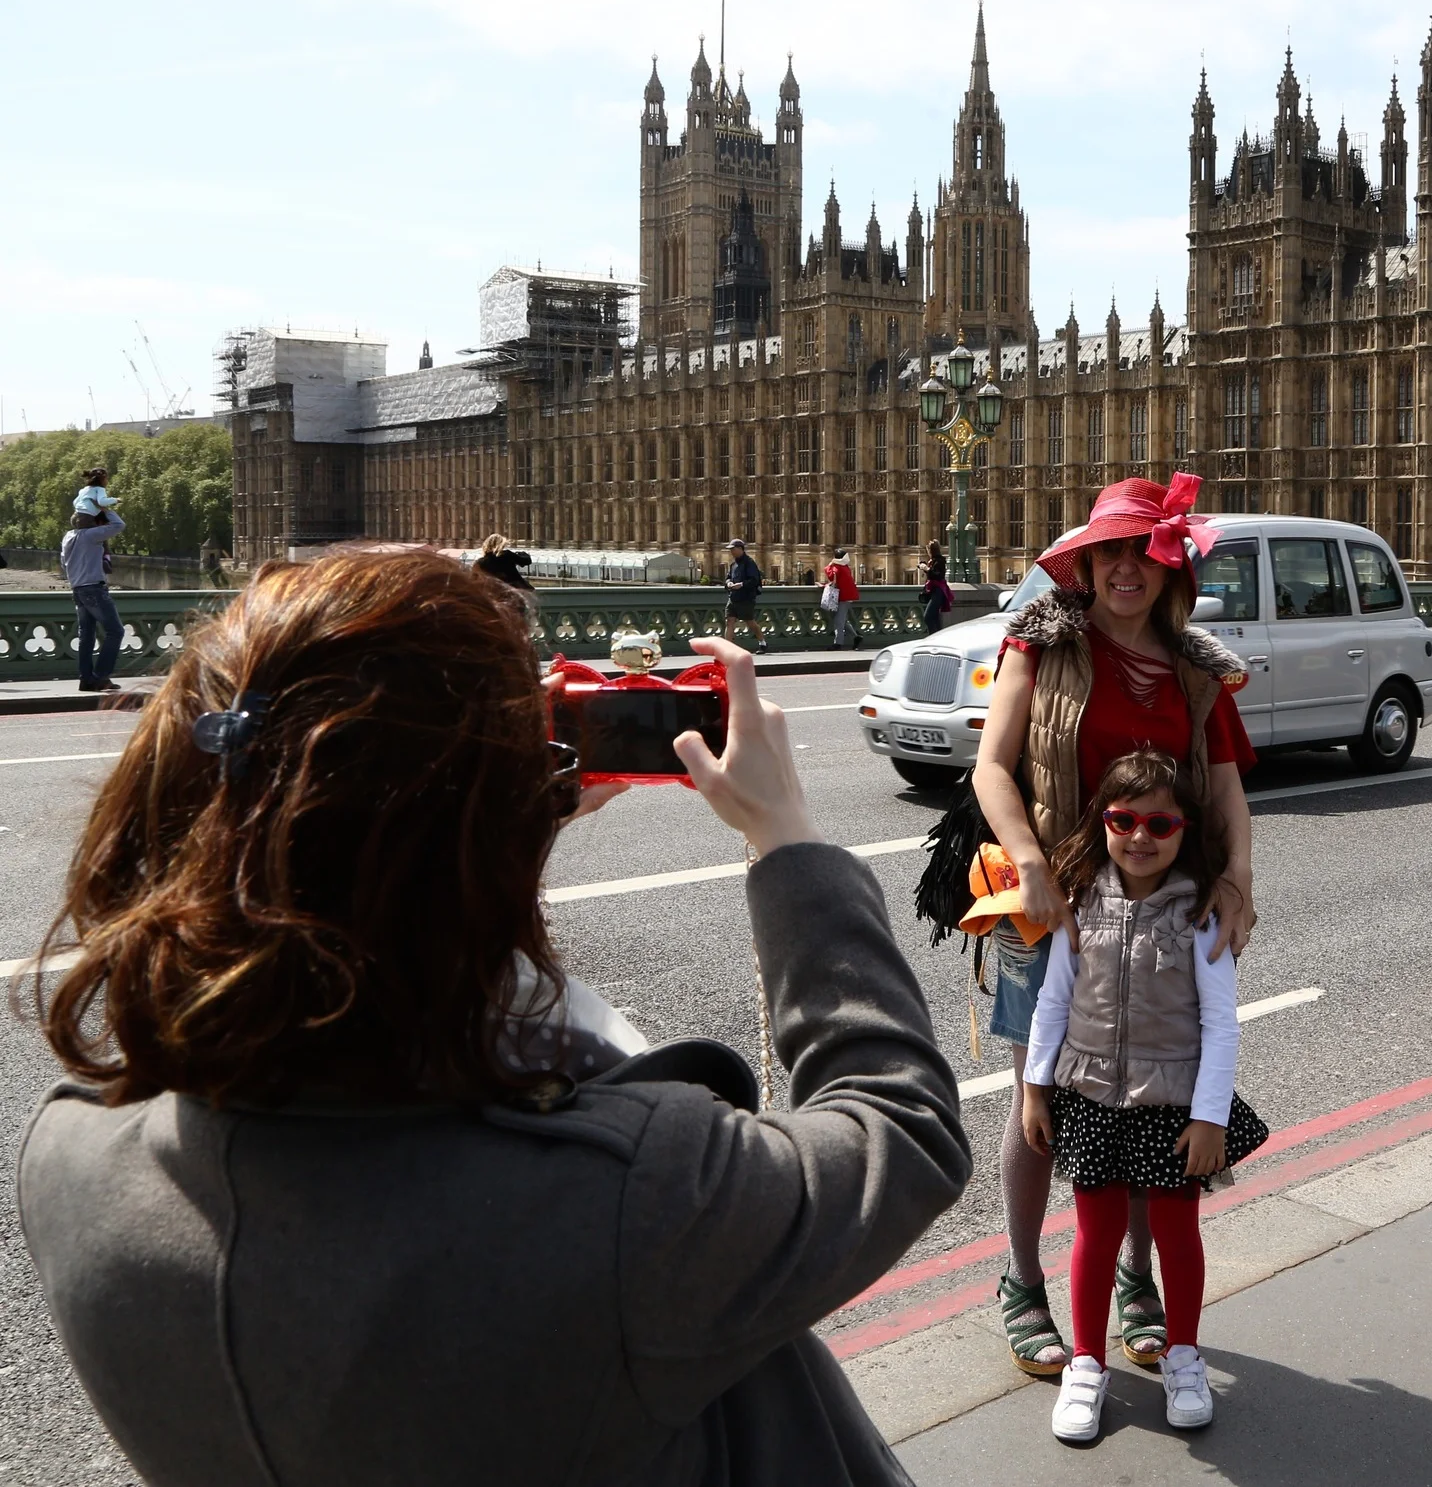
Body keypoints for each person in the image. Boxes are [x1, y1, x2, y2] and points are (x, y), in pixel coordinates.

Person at [17, 547, 973, 1485]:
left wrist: (472, 828)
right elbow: (901, 1126)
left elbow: (322, 891)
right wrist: (789, 839)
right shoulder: (626, 1204)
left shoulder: (68, 1153)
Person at [969, 473, 1259, 1381]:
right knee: (1042, 1093)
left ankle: (1139, 1280)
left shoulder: (1195, 667)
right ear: (1085, 565)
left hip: (1162, 905)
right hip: (1053, 904)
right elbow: (991, 767)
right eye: (1110, 552)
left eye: (1144, 551)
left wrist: (1238, 879)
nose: (1126, 568)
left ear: (1168, 565)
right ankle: (1023, 1282)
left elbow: (1223, 789)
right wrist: (1030, 865)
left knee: (1155, 1095)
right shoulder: (1039, 645)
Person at [1020, 750, 1269, 1441]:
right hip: (1092, 1094)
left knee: (1175, 1230)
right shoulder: (1078, 898)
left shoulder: (1203, 911)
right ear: (1103, 820)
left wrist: (1210, 1117)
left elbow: (1220, 1022)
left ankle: (1184, 1355)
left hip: (1172, 1104)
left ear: (1185, 827)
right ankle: (1089, 1365)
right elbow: (1053, 1000)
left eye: (1159, 822)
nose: (1140, 836)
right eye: (1123, 819)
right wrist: (1034, 1090)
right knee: (1096, 1233)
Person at [61, 502, 125, 695]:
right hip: (94, 589)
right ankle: (101, 676)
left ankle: (86, 679)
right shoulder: (91, 535)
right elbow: (118, 525)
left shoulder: (68, 537)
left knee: (86, 636)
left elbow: (64, 564)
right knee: (115, 631)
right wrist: (105, 509)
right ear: (93, 523)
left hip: (78, 589)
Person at [723, 537, 766, 651]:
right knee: (729, 621)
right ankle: (727, 648)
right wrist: (729, 583)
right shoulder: (733, 565)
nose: (731, 552)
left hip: (746, 597)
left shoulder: (749, 563)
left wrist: (741, 584)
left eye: (733, 549)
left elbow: (754, 580)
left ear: (740, 549)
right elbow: (727, 578)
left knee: (750, 622)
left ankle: (762, 642)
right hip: (733, 597)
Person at [821, 546, 861, 649]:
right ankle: (856, 637)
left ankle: (838, 643)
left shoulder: (837, 567)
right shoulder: (845, 566)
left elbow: (831, 576)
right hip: (847, 595)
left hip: (843, 596)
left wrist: (829, 565)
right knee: (841, 619)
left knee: (838, 620)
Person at [918, 541, 955, 636]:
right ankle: (938, 637)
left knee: (928, 617)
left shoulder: (939, 561)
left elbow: (937, 575)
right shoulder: (933, 561)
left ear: (931, 550)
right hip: (934, 591)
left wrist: (926, 569)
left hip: (938, 591)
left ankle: (933, 637)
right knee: (935, 618)